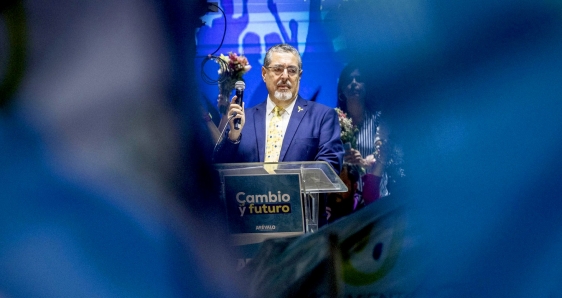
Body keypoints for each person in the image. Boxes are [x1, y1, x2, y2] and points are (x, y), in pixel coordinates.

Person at [212, 43, 344, 174]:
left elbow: (330, 167)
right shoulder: (241, 120)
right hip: (252, 195)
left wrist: (284, 188)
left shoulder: (322, 117)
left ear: (299, 76)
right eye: (278, 69)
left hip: (300, 195)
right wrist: (233, 137)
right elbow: (218, 169)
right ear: (264, 73)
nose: (285, 76)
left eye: (292, 70)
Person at [332, 62, 405, 217]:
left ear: (366, 88)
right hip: (345, 204)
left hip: (376, 198)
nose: (354, 83)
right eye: (349, 80)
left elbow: (387, 155)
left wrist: (364, 162)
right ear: (341, 91)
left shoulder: (380, 121)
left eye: (359, 79)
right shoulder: (333, 123)